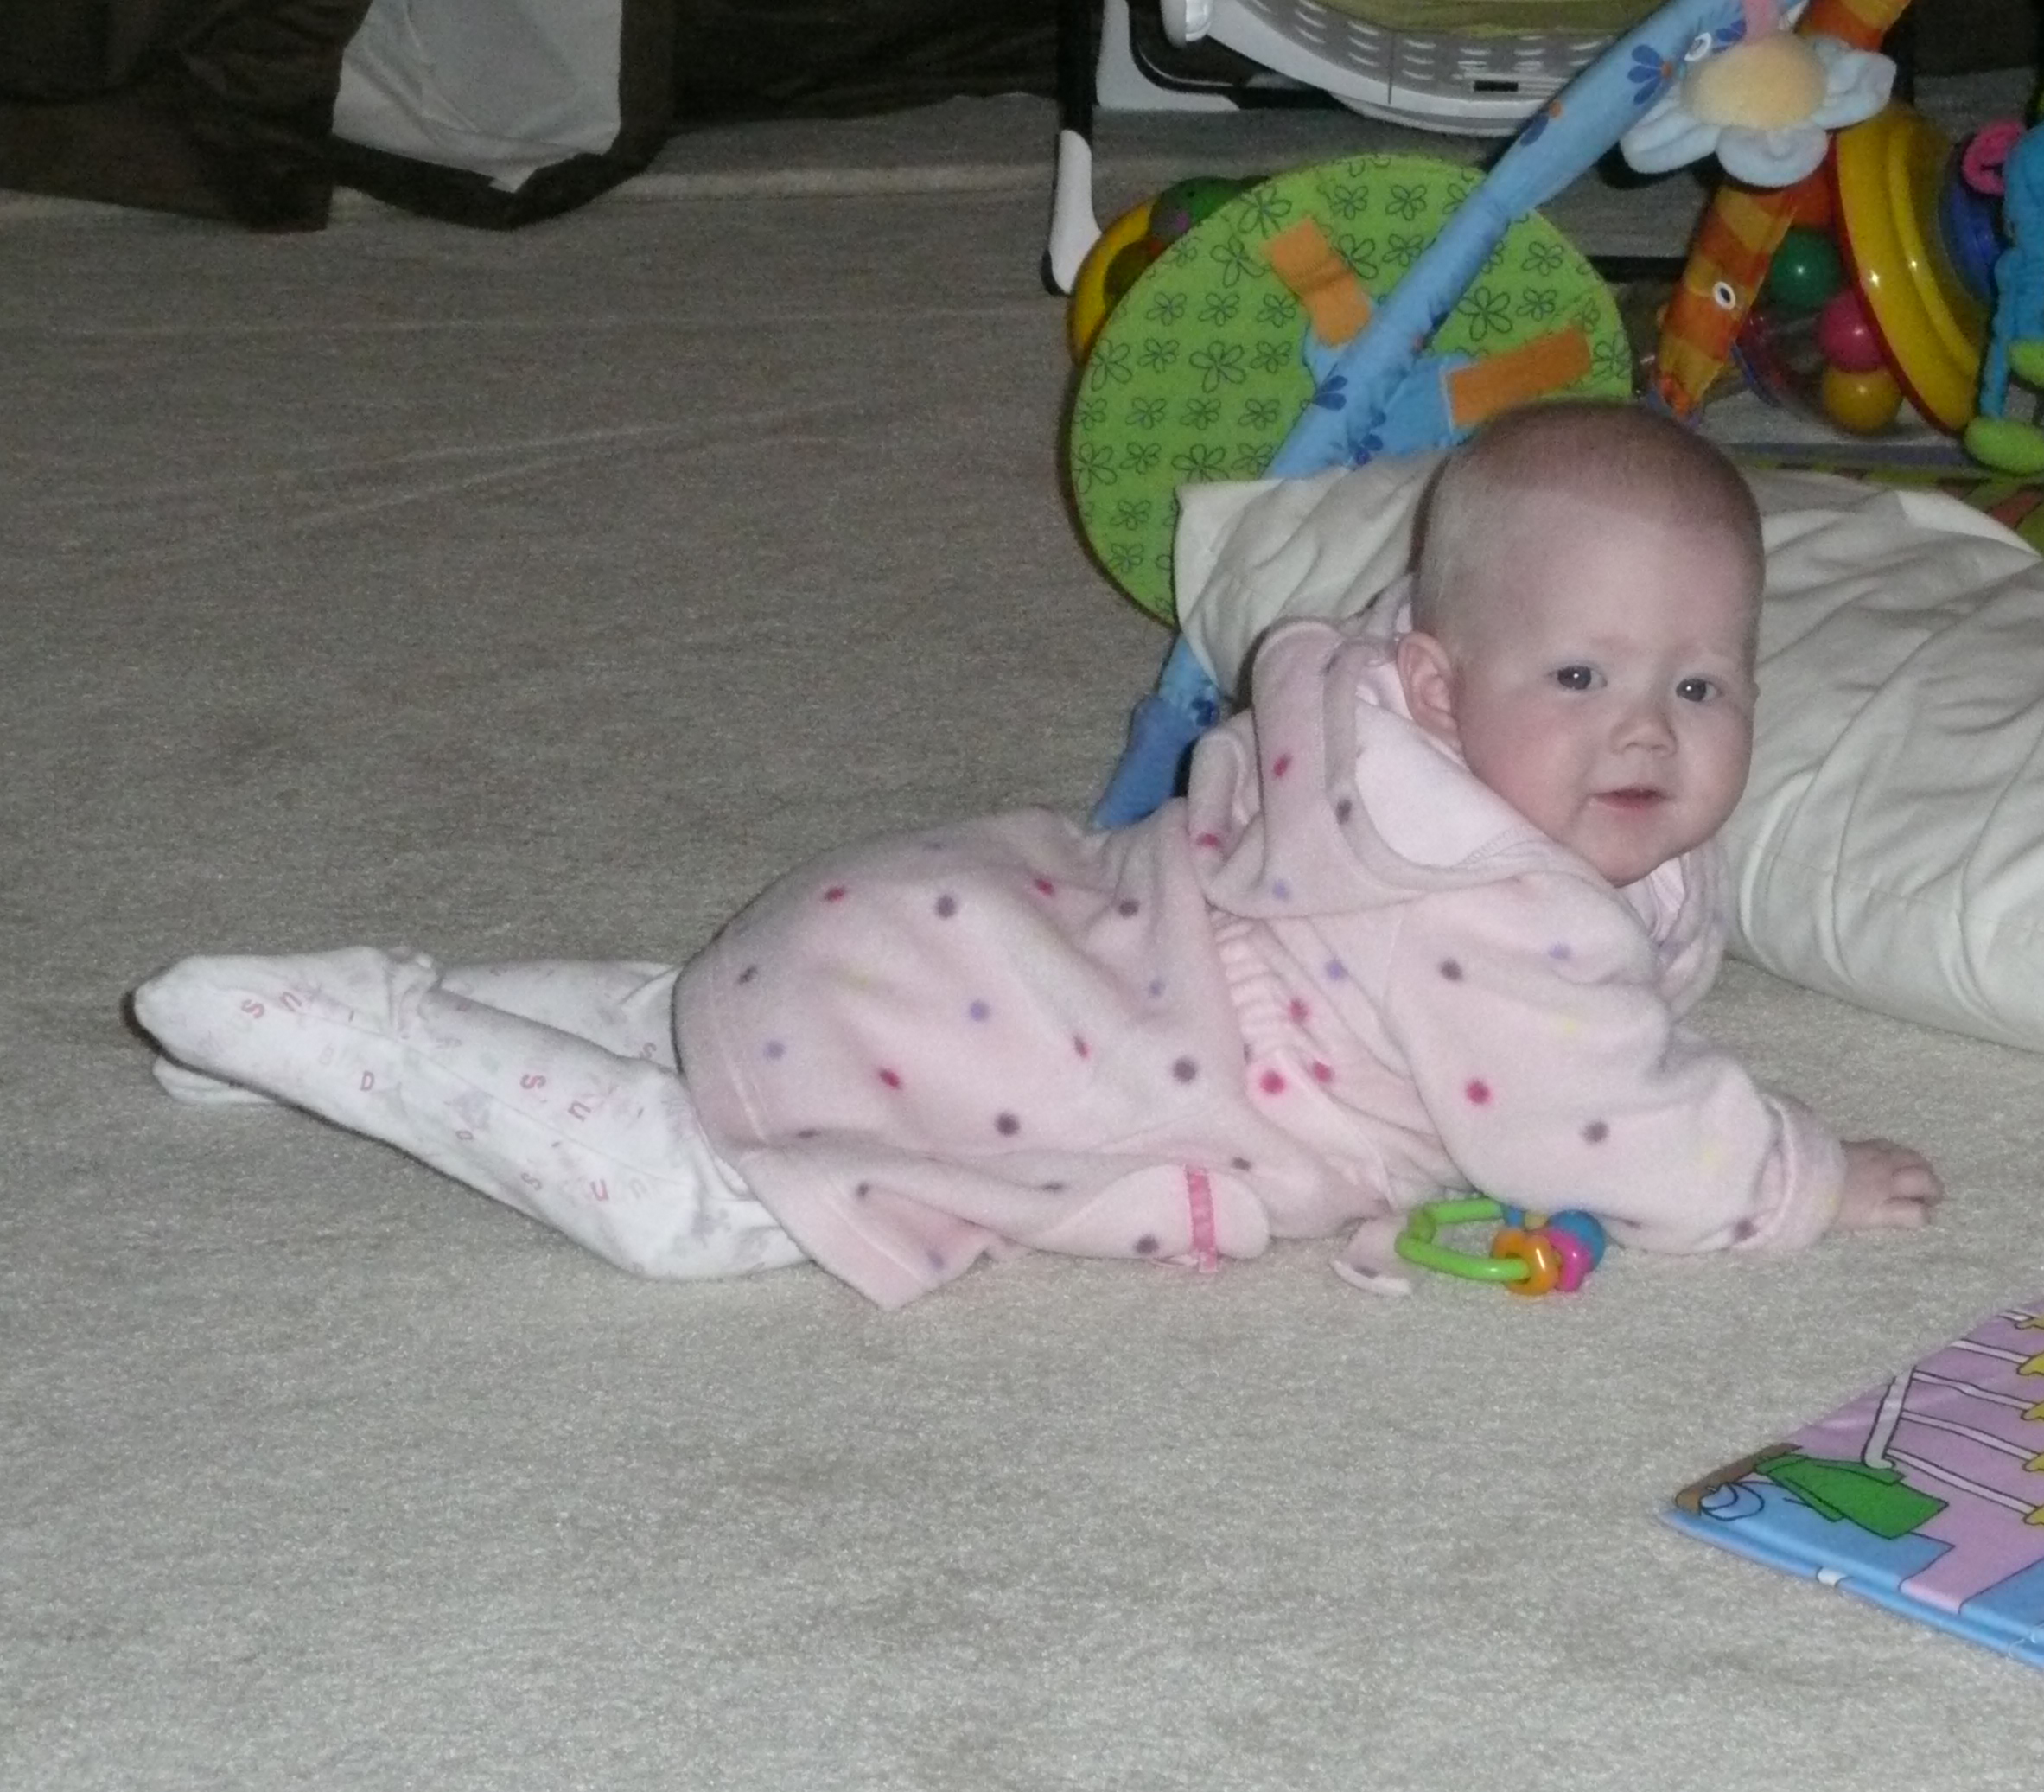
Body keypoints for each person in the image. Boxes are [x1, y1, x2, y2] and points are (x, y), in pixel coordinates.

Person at [132, 401, 1939, 1311]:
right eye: (1582, 678)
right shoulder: (1484, 904)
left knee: (690, 1015)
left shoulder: (1397, 758)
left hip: (961, 927)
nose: (1649, 732)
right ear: (1433, 686)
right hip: (1077, 1057)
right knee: (710, 1199)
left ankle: (407, 1020)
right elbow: (1596, 1123)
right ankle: (363, 1041)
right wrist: (1799, 1177)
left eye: (1702, 683)